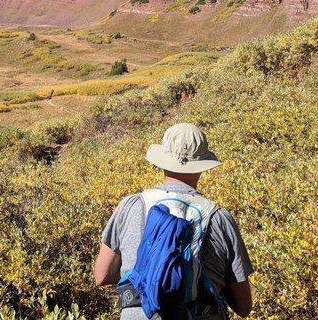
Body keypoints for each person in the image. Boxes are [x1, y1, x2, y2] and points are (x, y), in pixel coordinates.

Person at [94, 123, 253, 319]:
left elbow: (101, 276)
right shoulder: (219, 218)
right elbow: (244, 307)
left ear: (162, 160)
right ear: (202, 165)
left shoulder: (130, 206)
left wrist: (149, 277)